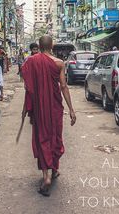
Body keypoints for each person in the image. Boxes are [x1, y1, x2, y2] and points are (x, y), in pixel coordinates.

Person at [21, 35, 76, 196]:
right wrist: (71, 109)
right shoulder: (59, 63)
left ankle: (46, 176)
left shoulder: (30, 62)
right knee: (54, 137)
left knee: (42, 138)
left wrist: (26, 107)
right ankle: (54, 170)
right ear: (52, 45)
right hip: (55, 107)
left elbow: (28, 86)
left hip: (39, 108)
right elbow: (64, 86)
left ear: (39, 45)